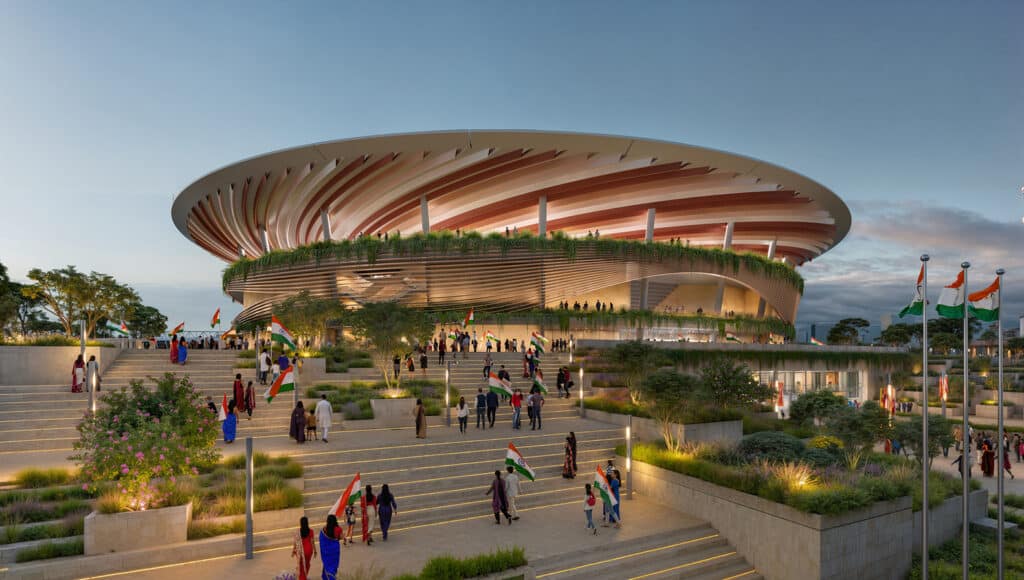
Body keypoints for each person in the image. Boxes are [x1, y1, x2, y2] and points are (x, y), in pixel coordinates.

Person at [292, 516, 317, 580]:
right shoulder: (311, 531)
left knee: (301, 566)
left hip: (300, 551)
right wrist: (315, 551)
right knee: (307, 564)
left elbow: (295, 542)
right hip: (309, 550)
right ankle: (304, 577)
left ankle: (302, 578)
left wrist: (293, 550)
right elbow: (312, 542)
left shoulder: (297, 532)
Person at [319, 514, 342, 580]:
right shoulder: (338, 529)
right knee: (333, 566)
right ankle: (331, 577)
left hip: (326, 552)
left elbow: (322, 540)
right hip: (335, 551)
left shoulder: (324, 529)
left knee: (327, 564)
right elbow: (340, 537)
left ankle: (326, 577)